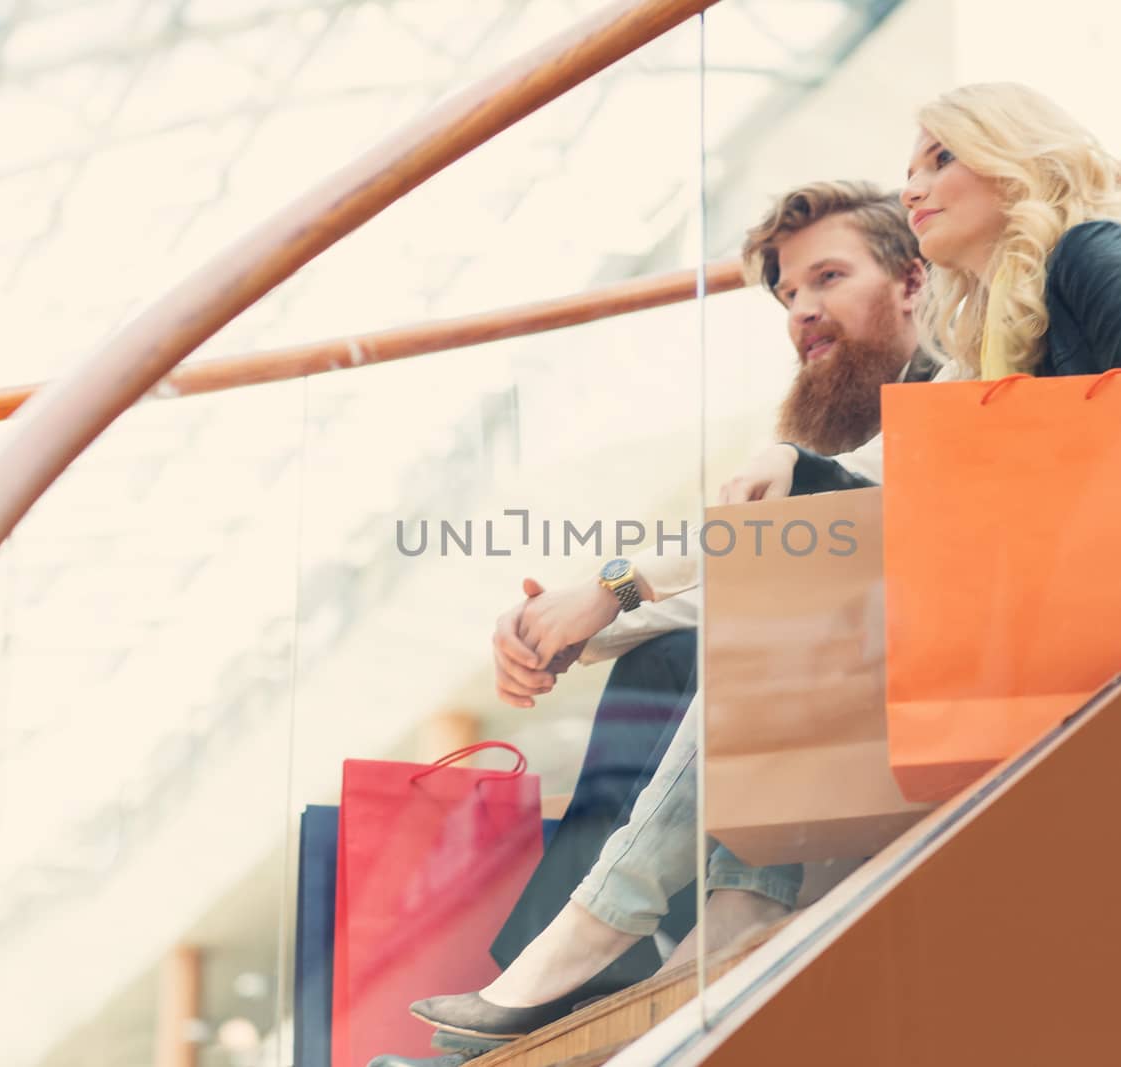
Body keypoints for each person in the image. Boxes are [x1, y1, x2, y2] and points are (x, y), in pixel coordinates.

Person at [371, 183, 934, 1064]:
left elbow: (819, 537)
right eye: (788, 294)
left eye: (829, 276)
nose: (804, 312)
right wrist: (575, 628)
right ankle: (581, 963)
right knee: (666, 660)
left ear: (914, 281)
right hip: (823, 728)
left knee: (720, 627)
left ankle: (586, 946)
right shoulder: (837, 436)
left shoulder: (960, 383)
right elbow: (748, 575)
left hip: (917, 723)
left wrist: (608, 591)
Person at [728, 83, 1121, 592]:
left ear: (1013, 159)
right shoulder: (994, 339)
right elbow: (919, 493)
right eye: (911, 173)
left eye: (942, 160)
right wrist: (795, 465)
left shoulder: (1095, 253)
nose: (912, 190)